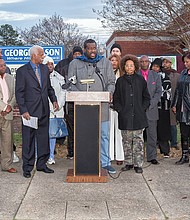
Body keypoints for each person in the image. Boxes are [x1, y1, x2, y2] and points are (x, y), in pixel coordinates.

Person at [68, 39, 116, 174]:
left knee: (104, 135)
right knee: (83, 136)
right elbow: (70, 83)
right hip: (82, 108)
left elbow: (111, 81)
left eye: (94, 48)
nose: (92, 51)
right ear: (84, 49)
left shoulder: (105, 62)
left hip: (101, 106)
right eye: (89, 48)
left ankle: (105, 163)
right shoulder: (75, 63)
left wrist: (109, 92)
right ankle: (83, 162)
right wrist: (80, 97)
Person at [15, 45, 59, 178]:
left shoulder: (45, 69)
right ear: (34, 55)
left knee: (43, 139)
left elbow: (49, 88)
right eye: (41, 54)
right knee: (28, 140)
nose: (43, 56)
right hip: (29, 113)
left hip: (44, 110)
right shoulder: (22, 71)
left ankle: (41, 164)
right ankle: (27, 168)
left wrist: (54, 100)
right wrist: (24, 110)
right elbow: (19, 93)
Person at [113, 54, 150, 173]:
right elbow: (116, 98)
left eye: (131, 65)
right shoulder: (120, 81)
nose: (129, 67)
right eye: (127, 65)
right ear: (124, 67)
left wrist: (142, 108)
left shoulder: (140, 80)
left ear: (135, 67)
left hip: (139, 117)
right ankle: (128, 162)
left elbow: (146, 97)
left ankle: (138, 164)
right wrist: (120, 110)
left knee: (138, 142)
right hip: (125, 117)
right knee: (127, 142)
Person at [55, 46, 83, 159]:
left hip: (82, 101)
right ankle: (71, 152)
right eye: (75, 54)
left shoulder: (86, 65)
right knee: (71, 129)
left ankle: (81, 151)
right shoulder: (62, 65)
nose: (77, 56)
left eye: (79, 54)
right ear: (72, 54)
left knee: (82, 128)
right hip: (68, 103)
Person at [138, 55, 162, 165]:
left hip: (152, 109)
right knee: (138, 135)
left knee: (152, 135)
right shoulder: (136, 75)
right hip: (139, 109)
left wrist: (151, 103)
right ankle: (137, 156)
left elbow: (158, 92)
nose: (144, 63)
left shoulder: (155, 75)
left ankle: (152, 156)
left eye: (146, 61)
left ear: (149, 62)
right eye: (142, 61)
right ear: (139, 63)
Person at [43, 56, 66, 165]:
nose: (50, 66)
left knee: (52, 134)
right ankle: (41, 155)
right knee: (42, 134)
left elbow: (62, 92)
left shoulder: (59, 77)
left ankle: (51, 156)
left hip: (57, 110)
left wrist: (58, 105)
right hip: (44, 110)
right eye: (47, 64)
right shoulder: (40, 77)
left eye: (51, 64)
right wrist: (50, 107)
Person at [0, 48, 19, 162]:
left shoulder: (11, 78)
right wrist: (3, 107)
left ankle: (6, 165)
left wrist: (10, 106)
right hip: (3, 110)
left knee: (7, 141)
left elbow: (15, 94)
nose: (3, 67)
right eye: (1, 66)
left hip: (8, 114)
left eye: (4, 65)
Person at [150, 58, 172, 157]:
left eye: (157, 66)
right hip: (151, 107)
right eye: (154, 66)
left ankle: (165, 150)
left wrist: (158, 97)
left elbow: (168, 92)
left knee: (163, 129)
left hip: (163, 107)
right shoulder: (148, 76)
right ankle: (152, 151)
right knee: (152, 130)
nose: (155, 68)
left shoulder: (165, 77)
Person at [172, 52, 190, 165]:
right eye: (184, 62)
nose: (185, 64)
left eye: (187, 62)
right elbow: (178, 90)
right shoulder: (183, 73)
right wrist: (174, 104)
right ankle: (185, 155)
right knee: (184, 133)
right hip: (182, 107)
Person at [108, 54, 124, 165]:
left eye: (115, 60)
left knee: (119, 131)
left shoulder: (122, 76)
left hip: (119, 107)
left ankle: (120, 155)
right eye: (111, 60)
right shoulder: (105, 74)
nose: (113, 62)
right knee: (108, 131)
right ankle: (108, 155)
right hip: (107, 106)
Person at [162, 57, 180, 149]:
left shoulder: (176, 75)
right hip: (162, 102)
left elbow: (179, 89)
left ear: (170, 63)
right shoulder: (160, 74)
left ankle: (174, 142)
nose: (165, 64)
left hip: (173, 102)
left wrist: (176, 103)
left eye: (167, 62)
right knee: (163, 123)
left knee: (173, 124)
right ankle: (163, 142)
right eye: (164, 62)